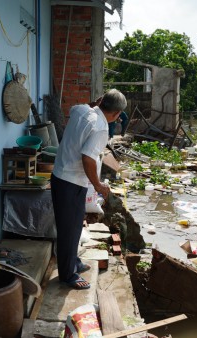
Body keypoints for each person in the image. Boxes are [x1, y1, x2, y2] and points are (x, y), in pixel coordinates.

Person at [51, 89, 127, 290]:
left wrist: (96, 103)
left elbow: (81, 107)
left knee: (75, 225)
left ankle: (73, 262)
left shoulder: (81, 110)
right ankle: (67, 275)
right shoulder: (101, 128)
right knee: (68, 229)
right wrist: (98, 185)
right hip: (71, 182)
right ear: (117, 113)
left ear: (101, 102)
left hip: (61, 176)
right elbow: (88, 158)